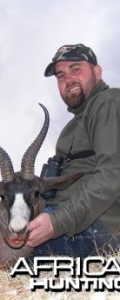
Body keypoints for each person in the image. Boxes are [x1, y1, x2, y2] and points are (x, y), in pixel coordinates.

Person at [26, 43, 120, 257]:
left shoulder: (109, 101)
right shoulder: (72, 126)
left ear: (97, 72)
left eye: (76, 69)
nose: (67, 80)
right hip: (62, 217)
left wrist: (56, 223)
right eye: (60, 75)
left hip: (98, 227)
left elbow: (112, 175)